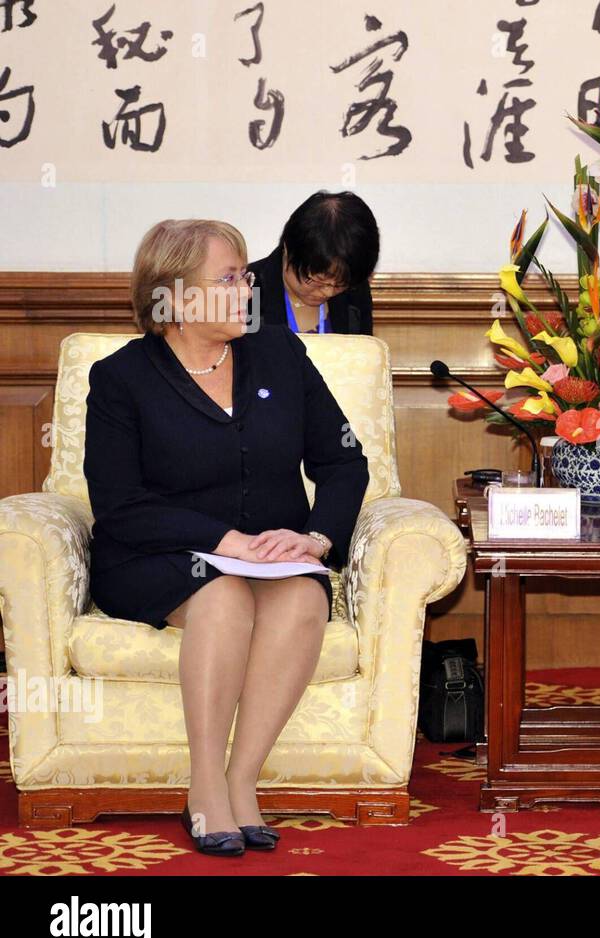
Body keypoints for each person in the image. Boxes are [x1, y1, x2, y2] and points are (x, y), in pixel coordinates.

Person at [85, 219, 370, 856]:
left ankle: (244, 782)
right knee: (223, 596)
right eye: (231, 279)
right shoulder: (120, 380)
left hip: (273, 559)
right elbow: (119, 506)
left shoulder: (280, 354)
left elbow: (344, 461)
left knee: (302, 599)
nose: (250, 289)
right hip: (159, 558)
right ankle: (205, 786)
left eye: (246, 275)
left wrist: (318, 538)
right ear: (178, 299)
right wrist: (224, 540)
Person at [248, 190, 379, 335]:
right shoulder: (247, 291)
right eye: (317, 281)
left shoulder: (354, 290)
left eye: (340, 285)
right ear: (288, 248)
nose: (328, 292)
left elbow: (364, 352)